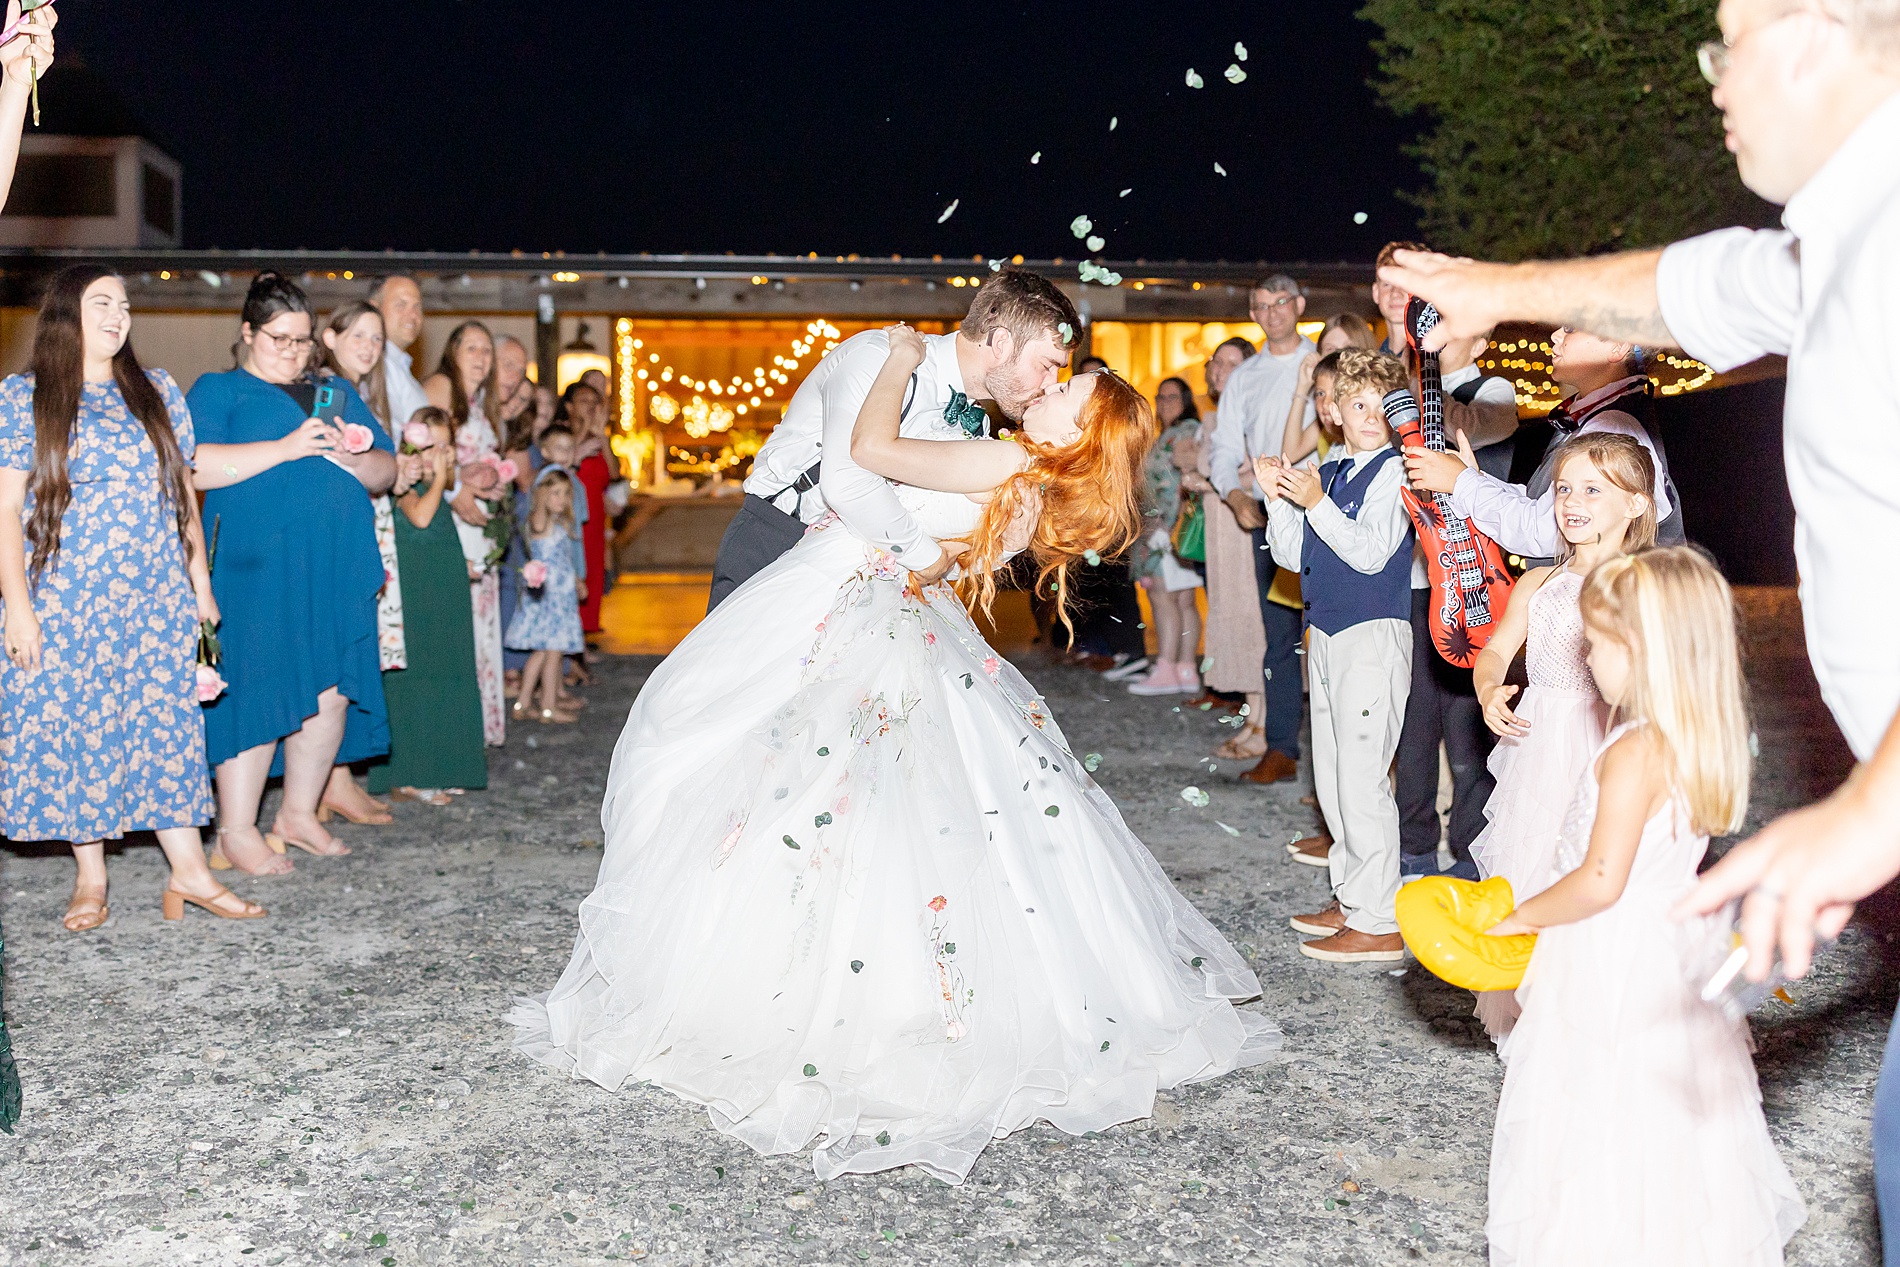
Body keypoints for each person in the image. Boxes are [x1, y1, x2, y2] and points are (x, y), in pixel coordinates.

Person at [511, 325, 1280, 1183]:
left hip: (855, 608)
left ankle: (830, 999)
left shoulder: (1003, 466)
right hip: (878, 608)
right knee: (856, 807)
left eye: (1071, 391)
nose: (1058, 384)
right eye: (1063, 375)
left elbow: (869, 448)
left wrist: (901, 361)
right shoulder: (1018, 480)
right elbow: (944, 559)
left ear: (1074, 435)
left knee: (800, 793)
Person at [1381, 5, 1900, 1243]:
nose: (1709, 77)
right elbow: (1688, 283)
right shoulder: (1842, 238)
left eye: (1729, 41)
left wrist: (1868, 812)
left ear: (1817, 35)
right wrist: (1489, 291)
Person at [1483, 547, 1805, 1264]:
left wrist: (1519, 914)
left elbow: (1601, 878)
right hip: (1671, 947)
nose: (1587, 655)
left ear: (1640, 649)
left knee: (1601, 1099)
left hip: (1612, 950)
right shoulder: (1692, 735)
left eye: (1596, 642)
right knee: (1675, 1114)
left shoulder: (1631, 751)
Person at [0, 266, 264, 929]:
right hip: (67, 600)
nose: (118, 316)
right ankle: (91, 877)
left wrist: (201, 586)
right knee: (84, 729)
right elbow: (4, 509)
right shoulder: (24, 397)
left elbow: (181, 498)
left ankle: (191, 872)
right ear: (65, 314)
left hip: (155, 599)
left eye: (123, 304)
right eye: (101, 303)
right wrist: (19, 609)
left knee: (166, 729)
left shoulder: (158, 392)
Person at [712, 268, 1080, 612]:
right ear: (1000, 342)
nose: (1049, 383)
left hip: (870, 580)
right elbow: (847, 483)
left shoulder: (977, 427)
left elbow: (943, 543)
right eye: (1047, 364)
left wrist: (1001, 546)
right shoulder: (879, 354)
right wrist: (929, 559)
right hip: (776, 540)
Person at [187, 271, 396, 874]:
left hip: (332, 565)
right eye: (279, 338)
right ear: (248, 333)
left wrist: (347, 452)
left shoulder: (333, 393)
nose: (293, 352)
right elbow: (193, 466)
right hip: (254, 568)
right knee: (257, 686)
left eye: (303, 340)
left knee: (330, 691)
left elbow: (386, 471)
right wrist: (287, 447)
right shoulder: (218, 390)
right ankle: (236, 828)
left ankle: (298, 813)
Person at [1465, 434, 1656, 1043]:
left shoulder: (1642, 584)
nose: (1572, 502)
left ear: (1635, 505)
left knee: (1598, 868)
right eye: (1564, 489)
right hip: (1540, 747)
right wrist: (1490, 689)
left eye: (1593, 490)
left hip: (1606, 746)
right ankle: (1533, 1014)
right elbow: (1494, 651)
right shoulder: (1538, 583)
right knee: (1532, 863)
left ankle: (1597, 1012)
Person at [1258, 349, 1417, 962]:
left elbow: (1374, 553)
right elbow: (1293, 557)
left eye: (1383, 403)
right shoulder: (1332, 468)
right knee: (1332, 774)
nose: (1371, 415)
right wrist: (1279, 498)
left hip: (1372, 633)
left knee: (1362, 776)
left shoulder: (1396, 472)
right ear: (1334, 413)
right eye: (1357, 403)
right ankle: (1353, 896)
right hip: (1324, 630)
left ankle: (1378, 917)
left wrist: (1314, 500)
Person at [1374, 244, 1524, 884]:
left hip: (1471, 579)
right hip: (1410, 579)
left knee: (1469, 735)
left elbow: (1448, 432)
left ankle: (1471, 855)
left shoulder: (1493, 392)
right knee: (1412, 731)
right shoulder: (1406, 383)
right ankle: (1412, 853)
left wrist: (1421, 371)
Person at [1404, 326, 1683, 560]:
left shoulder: (1612, 427)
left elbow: (1544, 531)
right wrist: (1472, 479)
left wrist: (1462, 483)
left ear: (1617, 345)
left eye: (1571, 327)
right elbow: (1540, 505)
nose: (1556, 335)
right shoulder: (1605, 416)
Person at [1205, 276, 1317, 785]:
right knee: (1280, 636)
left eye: (1280, 303)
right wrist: (1232, 495)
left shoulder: (1323, 362)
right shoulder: (1246, 376)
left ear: (1299, 305)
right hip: (1271, 516)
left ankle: (1362, 761)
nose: (1271, 313)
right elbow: (1226, 447)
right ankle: (1281, 748)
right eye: (1261, 306)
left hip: (1329, 509)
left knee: (1344, 635)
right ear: (1252, 313)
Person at [367, 406, 486, 805]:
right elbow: (419, 519)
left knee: (449, 669)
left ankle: (444, 764)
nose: (442, 455)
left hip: (441, 582)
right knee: (418, 674)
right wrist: (437, 479)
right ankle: (410, 774)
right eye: (433, 446)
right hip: (415, 589)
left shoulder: (436, 484)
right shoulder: (405, 485)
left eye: (446, 446)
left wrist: (459, 562)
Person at [316, 301, 404, 826]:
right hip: (337, 535)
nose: (369, 347)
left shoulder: (354, 389)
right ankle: (334, 780)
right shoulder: (330, 389)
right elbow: (326, 457)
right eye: (359, 336)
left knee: (350, 652)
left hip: (355, 527)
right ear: (329, 336)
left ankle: (337, 778)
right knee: (343, 654)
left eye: (377, 339)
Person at [1183, 337, 1269, 758]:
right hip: (1221, 533)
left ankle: (1263, 724)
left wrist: (1210, 482)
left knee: (1252, 619)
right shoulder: (1216, 416)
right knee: (1231, 616)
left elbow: (1263, 471)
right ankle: (1252, 714)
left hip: (1244, 529)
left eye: (1232, 363)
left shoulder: (1252, 415)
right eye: (1216, 362)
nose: (1221, 370)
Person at [426, 320, 510, 747]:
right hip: (451, 521)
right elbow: (423, 454)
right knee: (456, 623)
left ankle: (476, 727)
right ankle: (452, 728)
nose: (481, 357)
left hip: (478, 526)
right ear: (452, 351)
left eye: (486, 350)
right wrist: (460, 482)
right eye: (471, 348)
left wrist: (494, 483)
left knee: (480, 621)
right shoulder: (440, 387)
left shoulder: (478, 402)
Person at [1125, 377, 1205, 696]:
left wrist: (1161, 525)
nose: (1165, 402)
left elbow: (1179, 483)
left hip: (1165, 528)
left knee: (1162, 596)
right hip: (1176, 528)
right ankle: (1185, 669)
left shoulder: (1181, 434)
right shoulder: (1175, 433)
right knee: (1183, 599)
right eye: (1160, 397)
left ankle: (1167, 668)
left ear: (1186, 400)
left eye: (1173, 397)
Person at [506, 467, 587, 724]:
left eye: (565, 494)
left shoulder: (558, 523)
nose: (561, 500)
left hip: (561, 596)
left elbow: (563, 558)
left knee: (542, 653)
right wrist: (539, 495)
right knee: (552, 653)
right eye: (555, 493)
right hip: (549, 599)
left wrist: (575, 580)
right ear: (542, 495)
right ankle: (548, 708)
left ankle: (523, 702)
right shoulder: (538, 520)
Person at [561, 380, 612, 638]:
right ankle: (573, 636)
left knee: (593, 570)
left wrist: (602, 436)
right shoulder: (561, 434)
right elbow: (564, 462)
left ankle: (588, 631)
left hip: (595, 512)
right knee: (574, 568)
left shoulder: (597, 436)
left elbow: (613, 473)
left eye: (595, 403)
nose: (591, 408)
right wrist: (584, 435)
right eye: (584, 402)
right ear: (569, 406)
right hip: (569, 512)